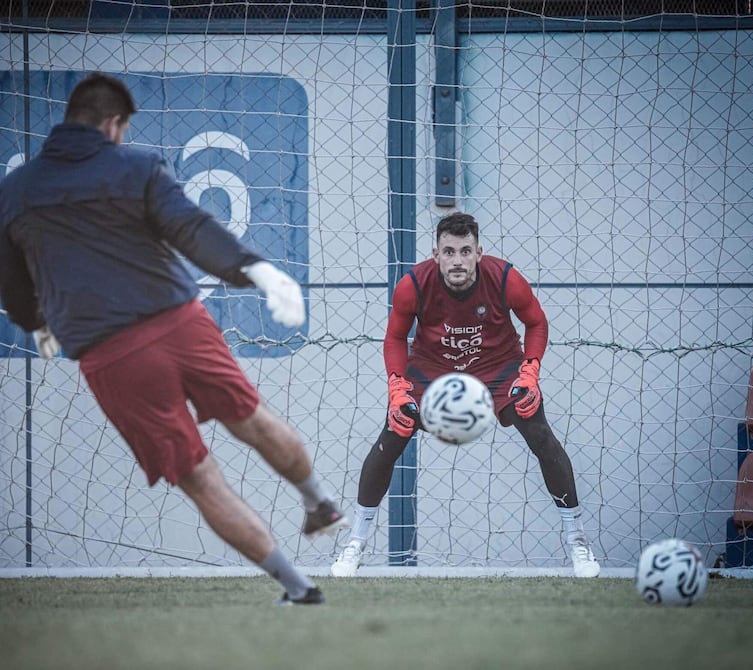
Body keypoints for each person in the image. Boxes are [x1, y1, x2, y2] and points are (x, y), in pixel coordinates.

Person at [0, 72, 348, 605]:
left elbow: (15, 290)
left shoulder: (15, 191)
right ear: (114, 125)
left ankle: (299, 588)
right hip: (181, 324)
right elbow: (190, 227)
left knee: (200, 477)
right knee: (250, 419)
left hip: (111, 355)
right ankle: (319, 500)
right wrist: (254, 268)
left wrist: (37, 325)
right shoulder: (136, 165)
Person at [331, 211, 600, 578]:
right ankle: (355, 544)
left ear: (478, 252)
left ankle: (578, 542)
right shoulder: (413, 285)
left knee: (540, 434)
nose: (457, 260)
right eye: (449, 252)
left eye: (465, 251)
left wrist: (531, 370)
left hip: (500, 366)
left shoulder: (506, 279)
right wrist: (396, 385)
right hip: (431, 370)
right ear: (435, 254)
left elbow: (536, 322)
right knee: (393, 432)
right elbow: (395, 337)